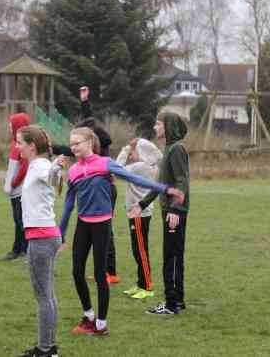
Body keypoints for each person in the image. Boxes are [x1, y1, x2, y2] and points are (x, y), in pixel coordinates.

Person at [59, 127, 184, 336]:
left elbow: (135, 179)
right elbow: (68, 205)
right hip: (83, 225)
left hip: (101, 225)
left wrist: (166, 189)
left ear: (90, 142)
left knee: (100, 274)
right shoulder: (73, 172)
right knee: (76, 272)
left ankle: (101, 323)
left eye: (77, 143)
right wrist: (60, 234)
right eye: (71, 144)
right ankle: (88, 315)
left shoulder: (105, 164)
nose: (73, 147)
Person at [52, 86, 119, 283]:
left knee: (106, 230)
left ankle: (110, 272)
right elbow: (69, 147)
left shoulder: (102, 143)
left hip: (104, 190)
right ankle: (107, 271)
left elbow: (95, 129)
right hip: (93, 190)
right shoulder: (87, 146)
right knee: (100, 230)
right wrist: (84, 102)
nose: (76, 143)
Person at [129, 111, 190, 315]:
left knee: (171, 257)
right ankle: (177, 300)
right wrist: (143, 203)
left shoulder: (177, 149)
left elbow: (182, 182)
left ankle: (171, 304)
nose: (155, 128)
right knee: (174, 256)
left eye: (158, 124)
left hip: (174, 211)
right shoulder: (170, 149)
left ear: (168, 125)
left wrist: (175, 209)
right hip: (170, 210)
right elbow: (161, 185)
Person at [15, 125, 64, 357]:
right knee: (48, 296)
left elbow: (52, 176)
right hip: (48, 236)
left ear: (31, 146)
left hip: (42, 239)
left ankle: (44, 350)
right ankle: (50, 347)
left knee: (44, 297)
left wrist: (56, 168)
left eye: (19, 143)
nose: (16, 147)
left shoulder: (42, 167)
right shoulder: (36, 165)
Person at [116, 138, 162, 300]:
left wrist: (124, 151)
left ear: (141, 152)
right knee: (138, 250)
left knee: (141, 251)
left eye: (133, 152)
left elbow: (116, 169)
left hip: (139, 214)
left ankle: (147, 287)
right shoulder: (150, 166)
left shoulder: (140, 167)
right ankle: (141, 283)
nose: (131, 155)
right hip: (141, 213)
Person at [2, 113, 31, 261]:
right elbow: (12, 167)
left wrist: (12, 183)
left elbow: (24, 167)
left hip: (20, 191)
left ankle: (25, 251)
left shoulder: (23, 144)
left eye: (11, 123)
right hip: (14, 192)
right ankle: (17, 249)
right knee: (17, 221)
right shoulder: (15, 143)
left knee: (22, 221)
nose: (9, 126)